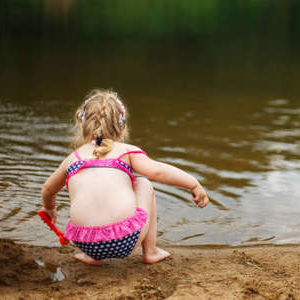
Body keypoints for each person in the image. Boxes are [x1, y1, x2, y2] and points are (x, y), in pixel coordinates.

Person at [41, 89, 209, 265]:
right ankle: (151, 251)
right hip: (125, 241)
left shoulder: (73, 158)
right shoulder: (126, 151)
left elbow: (48, 189)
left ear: (82, 126)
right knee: (143, 184)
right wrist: (193, 184)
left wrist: (50, 209)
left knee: (83, 191)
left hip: (85, 243)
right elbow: (158, 172)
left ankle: (91, 257)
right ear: (121, 129)